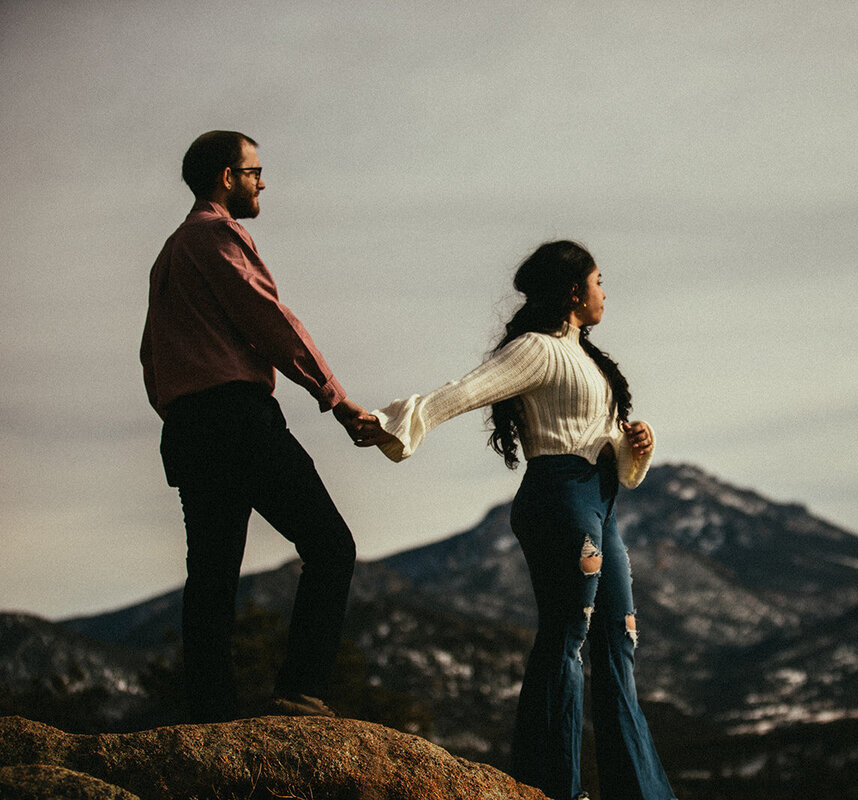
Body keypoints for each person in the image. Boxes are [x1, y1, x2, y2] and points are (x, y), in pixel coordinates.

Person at [368, 241, 676, 800]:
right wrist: (396, 422)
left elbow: (613, 458)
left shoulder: (589, 358)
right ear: (573, 291)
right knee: (568, 634)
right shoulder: (536, 348)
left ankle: (641, 791)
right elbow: (466, 391)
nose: (606, 291)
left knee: (619, 637)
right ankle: (552, 786)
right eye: (599, 280)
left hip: (600, 500)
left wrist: (636, 444)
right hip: (560, 497)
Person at [139, 130, 389, 723]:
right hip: (237, 417)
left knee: (212, 574)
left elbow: (152, 356)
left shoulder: (169, 255)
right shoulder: (215, 235)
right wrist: (335, 395)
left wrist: (180, 413)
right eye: (254, 171)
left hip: (189, 428)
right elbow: (268, 317)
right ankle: (299, 691)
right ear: (227, 177)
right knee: (330, 546)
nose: (262, 181)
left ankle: (208, 714)